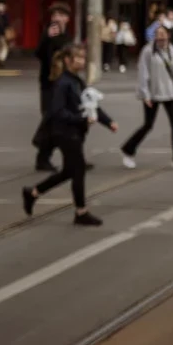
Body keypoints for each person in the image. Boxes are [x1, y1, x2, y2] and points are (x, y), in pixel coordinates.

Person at [23, 42, 112, 226]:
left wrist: (108, 122)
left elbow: (91, 104)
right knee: (78, 170)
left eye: (83, 58)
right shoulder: (63, 83)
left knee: (68, 171)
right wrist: (81, 119)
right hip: (64, 133)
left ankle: (33, 192)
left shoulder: (77, 81)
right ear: (67, 60)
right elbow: (57, 111)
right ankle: (81, 212)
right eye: (78, 58)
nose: (82, 61)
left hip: (74, 132)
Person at [123, 23, 173, 168]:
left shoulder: (172, 50)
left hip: (170, 93)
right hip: (153, 93)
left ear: (169, 35)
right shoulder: (147, 51)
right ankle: (129, 150)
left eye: (163, 33)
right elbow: (143, 73)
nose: (161, 36)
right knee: (148, 125)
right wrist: (144, 94)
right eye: (158, 33)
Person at [35, 4, 72, 170]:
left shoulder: (67, 36)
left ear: (67, 18)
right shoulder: (47, 34)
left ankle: (46, 157)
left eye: (60, 14)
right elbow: (39, 54)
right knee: (52, 120)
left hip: (64, 83)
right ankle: (43, 156)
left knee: (60, 121)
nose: (56, 17)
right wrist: (47, 38)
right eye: (54, 14)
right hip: (48, 83)